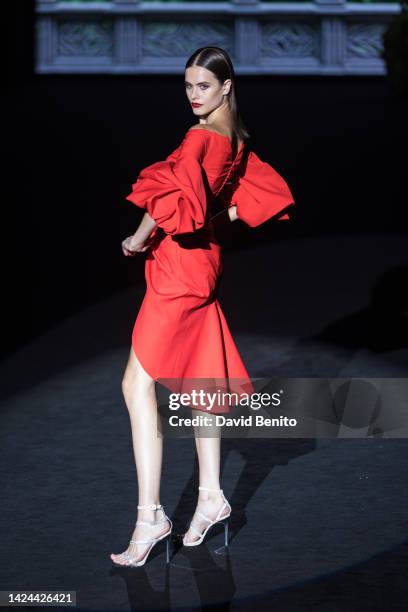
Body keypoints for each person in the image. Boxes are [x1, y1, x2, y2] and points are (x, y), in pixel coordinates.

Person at [110, 46, 295, 568]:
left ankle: (151, 516)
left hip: (177, 269)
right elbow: (242, 196)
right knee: (200, 377)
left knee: (136, 383)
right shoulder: (235, 137)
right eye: (189, 86)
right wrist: (215, 217)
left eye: (203, 87)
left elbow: (166, 192)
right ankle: (211, 495)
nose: (194, 96)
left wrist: (137, 235)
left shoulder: (198, 137)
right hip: (203, 262)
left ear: (226, 86)